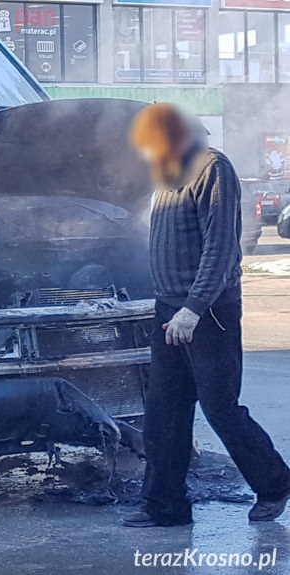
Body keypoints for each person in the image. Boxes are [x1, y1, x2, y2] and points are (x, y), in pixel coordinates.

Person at [123, 102, 290, 528]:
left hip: (207, 314)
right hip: (168, 310)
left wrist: (192, 310)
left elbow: (221, 251)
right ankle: (166, 507)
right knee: (164, 413)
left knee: (220, 409)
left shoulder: (211, 168)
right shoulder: (167, 174)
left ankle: (274, 485)